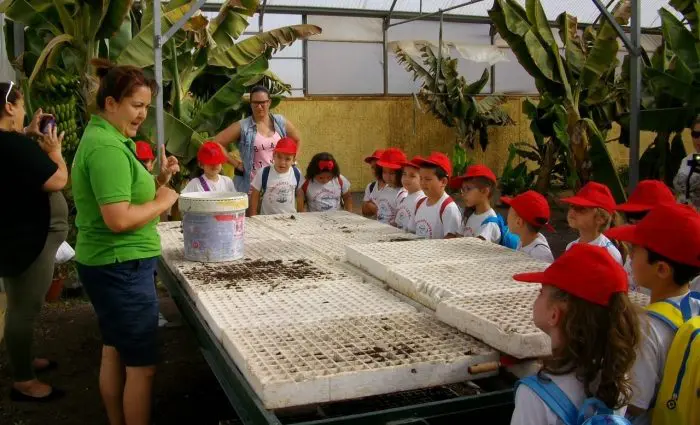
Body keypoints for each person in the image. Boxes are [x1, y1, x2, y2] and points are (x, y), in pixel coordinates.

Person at [71, 60, 180, 425]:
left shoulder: (108, 138)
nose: (142, 115)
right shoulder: (107, 148)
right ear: (111, 103)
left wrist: (159, 180)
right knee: (141, 368)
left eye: (146, 107)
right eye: (136, 105)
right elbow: (118, 219)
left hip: (109, 264)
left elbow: (126, 199)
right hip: (121, 268)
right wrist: (164, 201)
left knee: (114, 351)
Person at [510, 244, 641, 425]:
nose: (537, 296)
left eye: (541, 292)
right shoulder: (616, 375)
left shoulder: (533, 396)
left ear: (554, 314)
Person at [0, 81, 69, 401]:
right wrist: (55, 153)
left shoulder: (11, 142)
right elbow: (58, 180)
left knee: (21, 303)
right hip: (29, 238)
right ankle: (24, 380)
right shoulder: (14, 146)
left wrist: (25, 133)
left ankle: (23, 358)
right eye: (22, 103)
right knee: (24, 308)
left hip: (19, 235)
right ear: (9, 107)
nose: (26, 110)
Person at [605, 204, 700, 425]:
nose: (629, 255)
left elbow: (636, 404)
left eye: (635, 250)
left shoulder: (645, 327)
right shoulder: (696, 304)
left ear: (662, 270)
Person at [212, 85, 302, 195]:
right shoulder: (243, 126)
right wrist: (236, 164)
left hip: (279, 185)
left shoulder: (280, 122)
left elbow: (297, 140)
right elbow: (216, 142)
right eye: (255, 103)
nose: (259, 106)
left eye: (263, 102)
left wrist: (292, 161)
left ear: (269, 102)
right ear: (251, 104)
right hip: (252, 187)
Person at [614, 180, 676, 293]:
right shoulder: (634, 255)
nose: (636, 230)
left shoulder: (678, 261)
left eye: (641, 223)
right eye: (631, 222)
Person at [560, 182, 623, 264]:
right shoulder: (571, 246)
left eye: (581, 208)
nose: (572, 211)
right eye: (572, 206)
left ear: (600, 218)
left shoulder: (609, 254)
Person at [410, 152, 461, 239]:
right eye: (421, 178)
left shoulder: (449, 209)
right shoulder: (419, 203)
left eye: (427, 179)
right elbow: (411, 232)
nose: (422, 183)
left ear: (443, 182)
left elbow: (450, 244)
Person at [249, 137, 304, 216]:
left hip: (290, 219)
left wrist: (300, 216)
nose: (282, 162)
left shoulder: (296, 173)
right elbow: (254, 195)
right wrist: (253, 216)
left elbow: (300, 195)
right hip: (267, 219)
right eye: (279, 157)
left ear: (293, 159)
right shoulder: (264, 172)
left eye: (287, 159)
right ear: (274, 155)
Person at [501, 190, 554, 263]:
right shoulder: (524, 240)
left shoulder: (540, 254)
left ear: (518, 222)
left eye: (509, 213)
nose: (506, 218)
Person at [453, 165, 501, 243]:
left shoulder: (490, 223)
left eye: (468, 189)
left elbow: (476, 249)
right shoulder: (468, 214)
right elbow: (458, 239)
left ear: (484, 191)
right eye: (462, 189)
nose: (463, 194)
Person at [374, 148, 407, 226]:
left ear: (400, 173)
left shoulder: (402, 194)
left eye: (392, 173)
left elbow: (400, 221)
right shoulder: (384, 189)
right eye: (384, 172)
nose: (387, 177)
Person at [673, 116, 700, 210]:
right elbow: (679, 185)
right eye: (696, 134)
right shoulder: (687, 160)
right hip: (687, 215)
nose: (698, 139)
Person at [395, 156, 425, 232]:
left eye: (412, 176)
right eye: (404, 174)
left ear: (422, 179)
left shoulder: (422, 200)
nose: (406, 178)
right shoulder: (402, 197)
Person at [362, 149, 385, 217]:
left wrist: (371, 206)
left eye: (377, 168)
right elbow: (365, 212)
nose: (374, 171)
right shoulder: (370, 186)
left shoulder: (393, 188)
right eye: (372, 167)